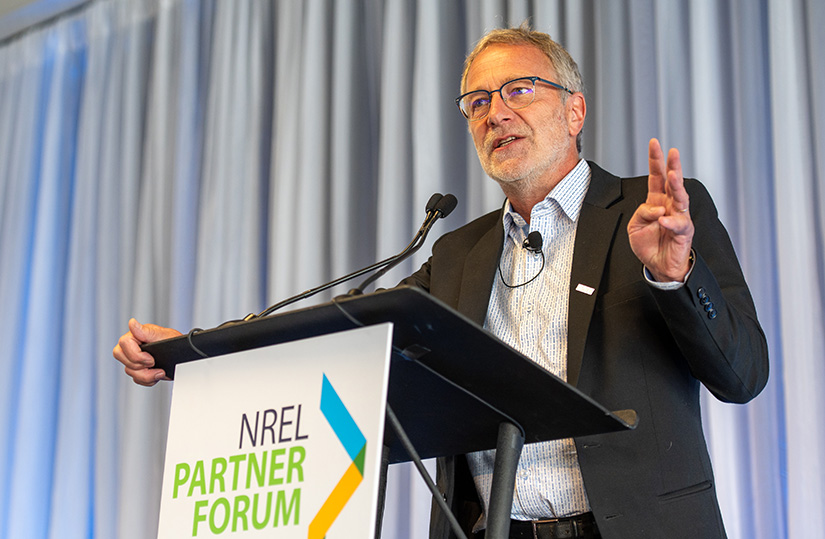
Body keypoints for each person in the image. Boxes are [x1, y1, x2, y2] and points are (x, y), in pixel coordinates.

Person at [114, 24, 769, 539]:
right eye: (477, 101)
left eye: (518, 90)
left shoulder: (651, 213)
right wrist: (193, 355)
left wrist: (673, 273)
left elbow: (742, 375)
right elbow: (343, 332)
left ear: (574, 111)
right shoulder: (459, 249)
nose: (494, 112)